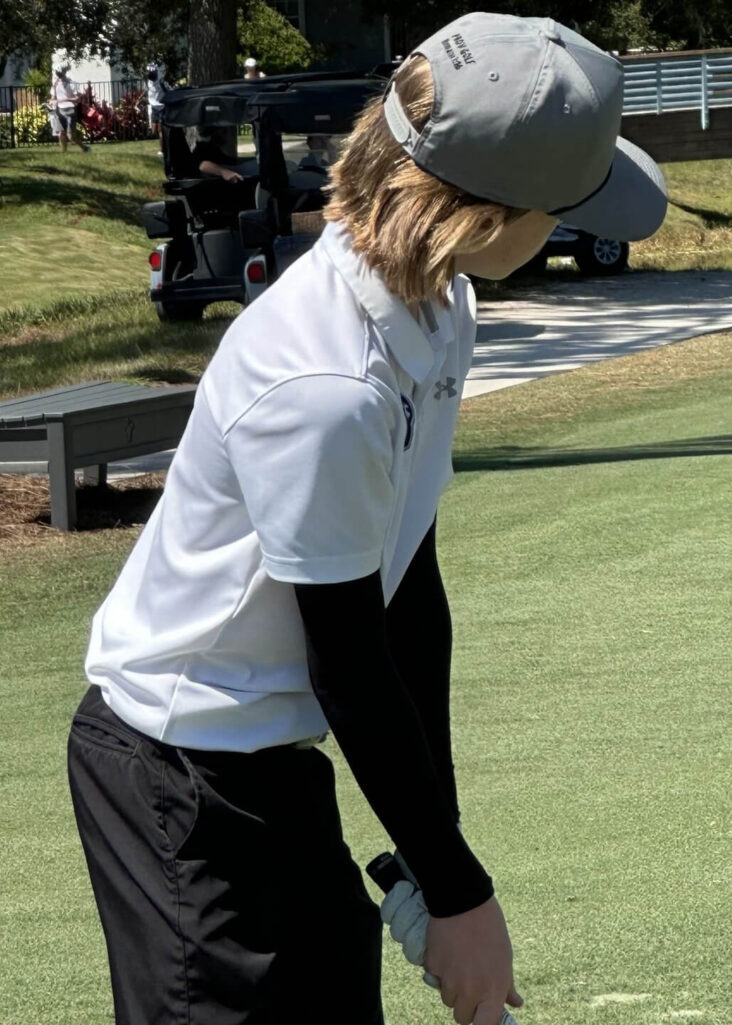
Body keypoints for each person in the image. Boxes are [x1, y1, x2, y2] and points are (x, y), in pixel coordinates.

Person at [69, 12, 667, 1025]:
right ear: (484, 217)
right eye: (564, 207)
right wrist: (465, 892)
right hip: (178, 774)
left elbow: (406, 593)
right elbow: (343, 653)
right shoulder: (326, 380)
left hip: (275, 764)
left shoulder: (438, 306)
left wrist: (440, 855)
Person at [50, 65, 90, 153]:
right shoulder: (55, 84)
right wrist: (51, 101)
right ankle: (64, 153)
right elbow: (53, 97)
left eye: (59, 73)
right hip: (59, 110)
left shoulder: (72, 83)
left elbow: (77, 98)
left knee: (71, 136)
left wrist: (64, 99)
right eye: (57, 73)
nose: (58, 74)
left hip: (70, 110)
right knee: (61, 133)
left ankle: (85, 148)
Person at [145, 63, 165, 143]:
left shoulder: (161, 81)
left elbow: (167, 90)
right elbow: (150, 91)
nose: (150, 74)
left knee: (160, 129)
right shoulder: (149, 81)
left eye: (151, 72)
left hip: (161, 107)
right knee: (154, 129)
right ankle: (158, 142)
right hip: (153, 107)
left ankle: (163, 149)